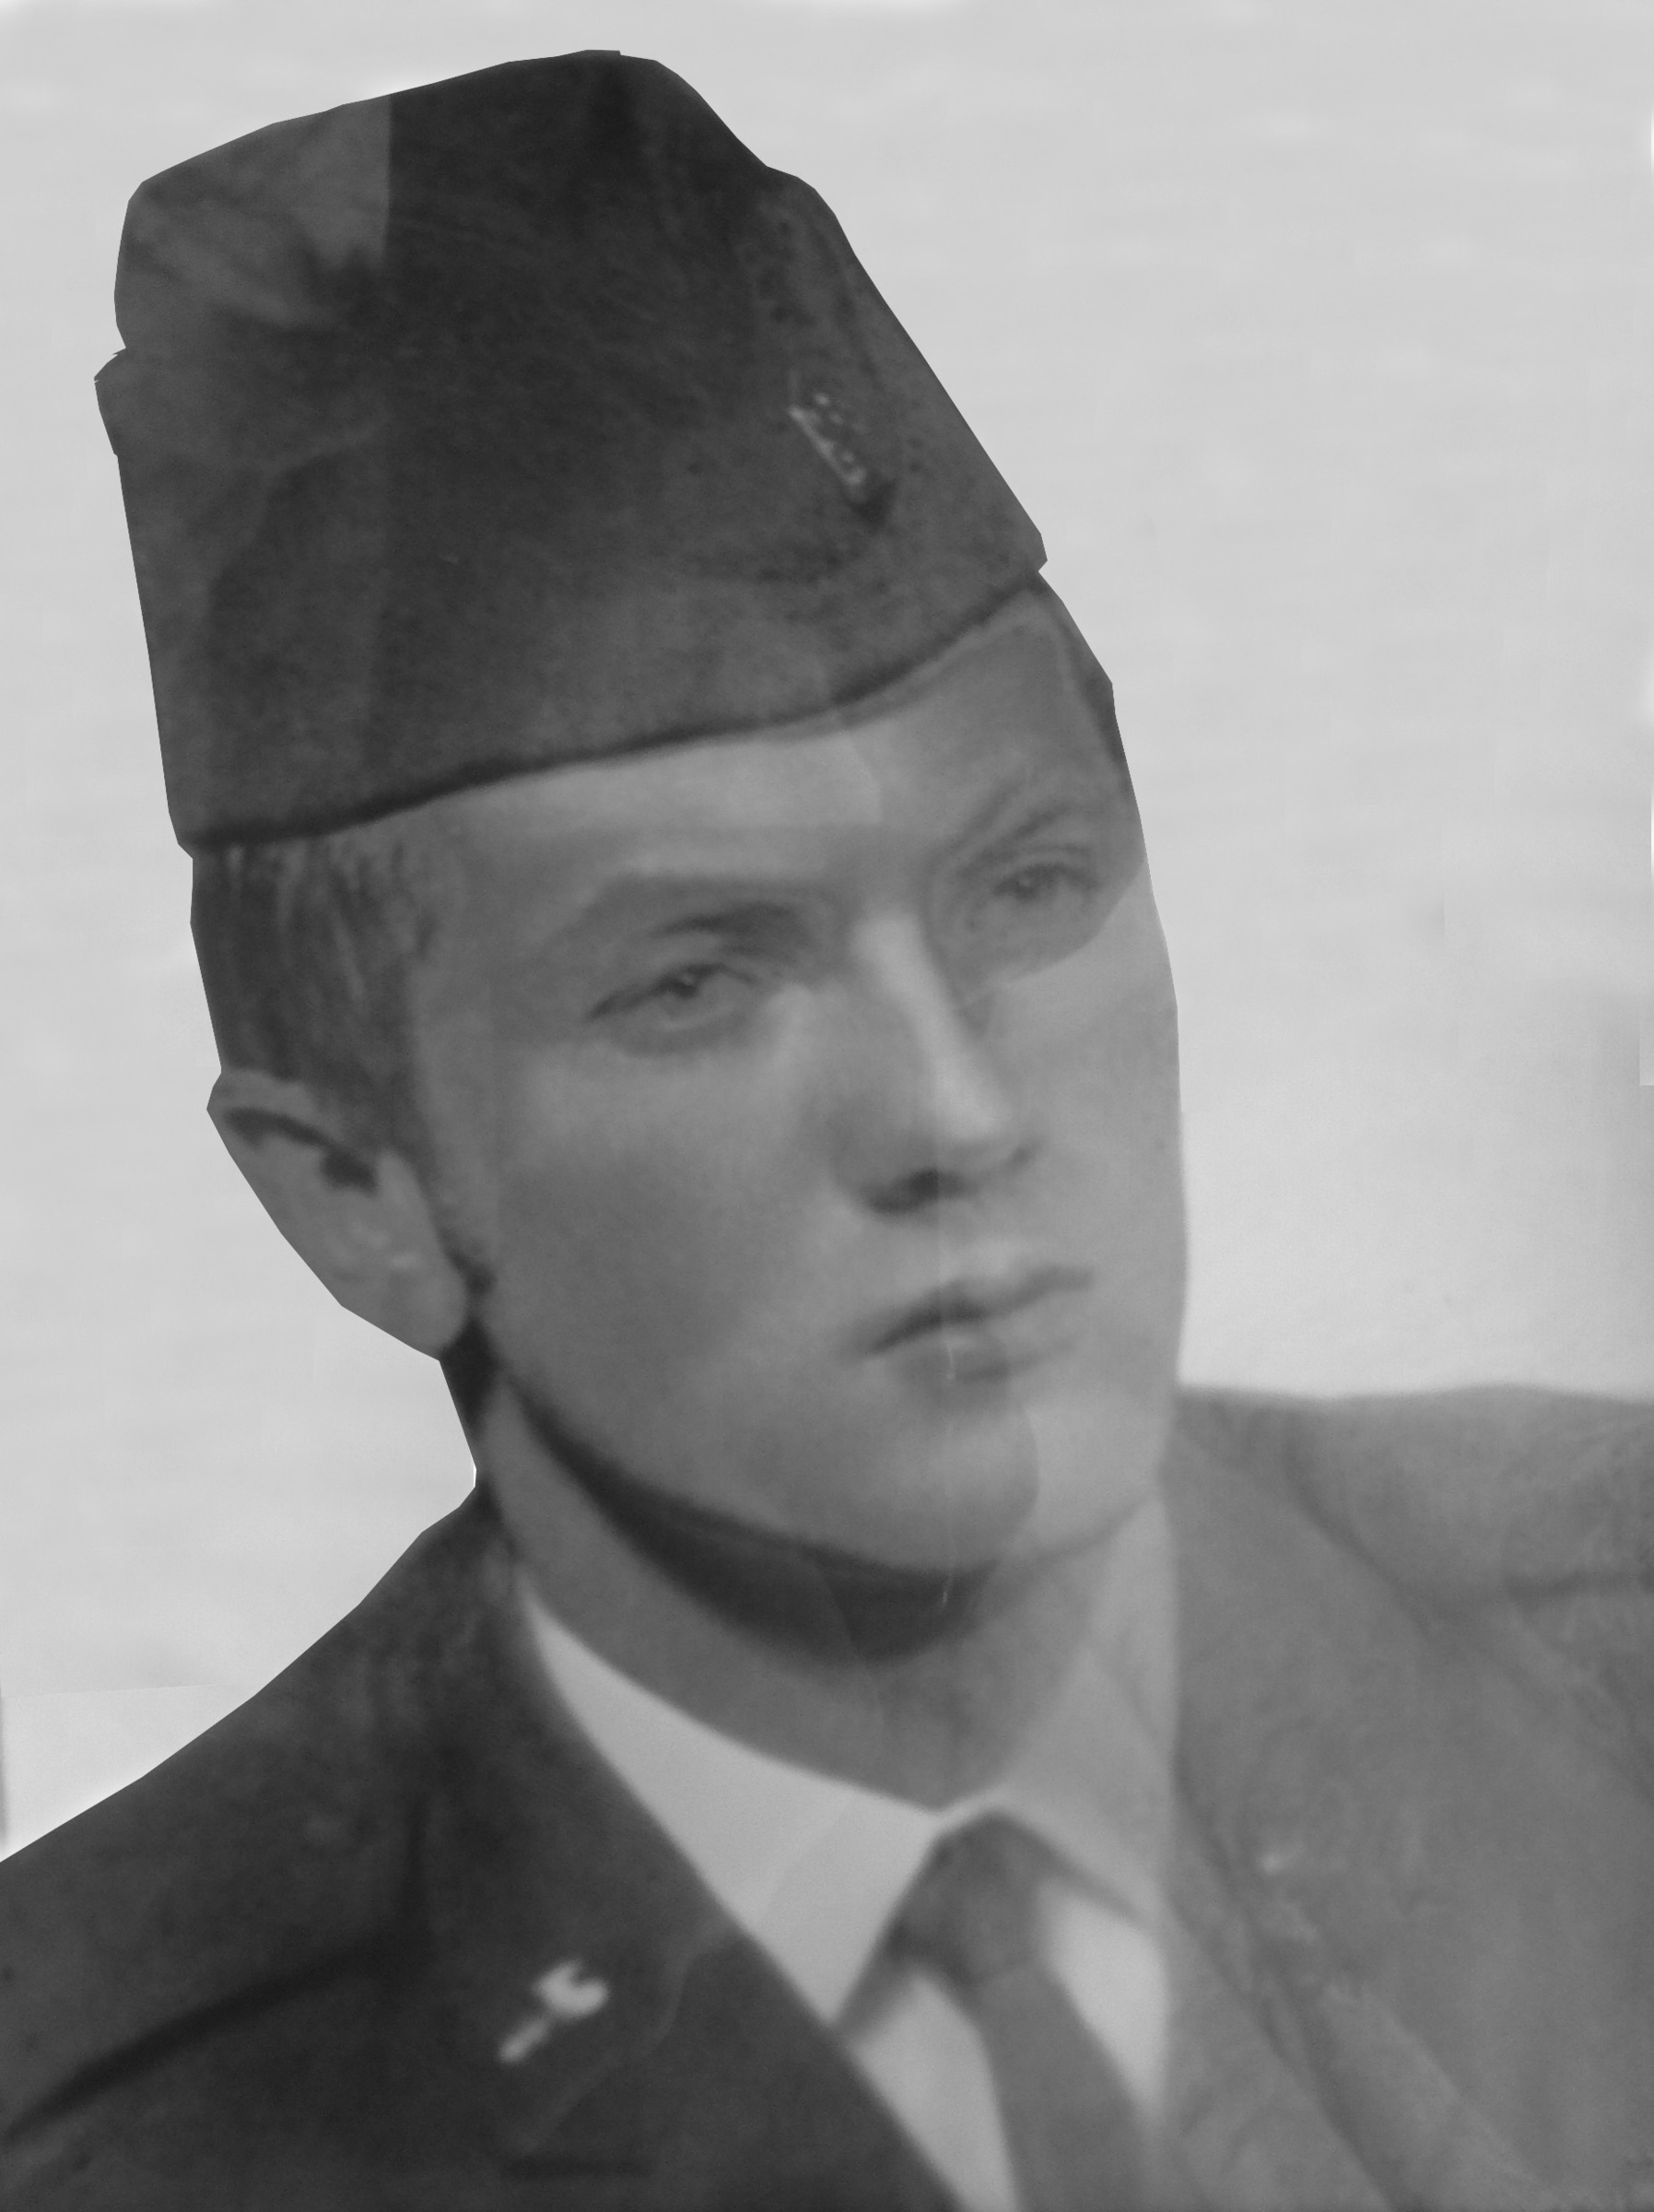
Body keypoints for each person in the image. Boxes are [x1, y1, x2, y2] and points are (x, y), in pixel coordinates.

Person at [2, 49, 1651, 2212]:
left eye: (1028, 888)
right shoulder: (121, 2120)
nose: (958, 1106)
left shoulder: (1598, 1636)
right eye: (696, 981)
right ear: (356, 1191)